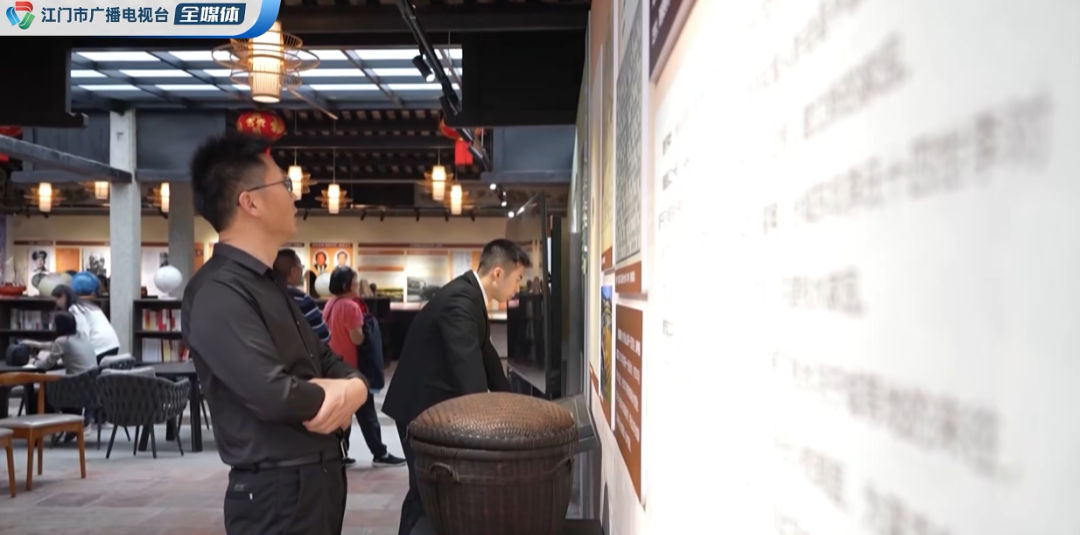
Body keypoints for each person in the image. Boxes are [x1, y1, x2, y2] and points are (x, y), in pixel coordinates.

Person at [183, 132, 371, 535]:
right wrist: (339, 394)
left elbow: (327, 360)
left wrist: (354, 389)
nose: (295, 194)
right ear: (250, 202)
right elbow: (275, 394)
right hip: (276, 492)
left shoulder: (269, 284)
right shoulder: (218, 291)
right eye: (285, 184)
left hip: (315, 480)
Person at [383, 238, 529, 535]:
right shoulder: (460, 302)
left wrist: (514, 408)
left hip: (431, 407)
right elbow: (469, 375)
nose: (519, 288)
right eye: (518, 279)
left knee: (428, 492)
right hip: (419, 409)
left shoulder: (470, 295)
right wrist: (490, 422)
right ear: (498, 273)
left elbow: (487, 356)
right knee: (425, 493)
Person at [322, 266, 405, 468]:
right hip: (353, 370)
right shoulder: (351, 307)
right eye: (355, 282)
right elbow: (357, 339)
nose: (358, 286)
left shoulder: (330, 304)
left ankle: (341, 453)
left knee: (342, 414)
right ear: (346, 285)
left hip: (334, 367)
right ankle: (380, 453)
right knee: (367, 413)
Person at [273, 249, 330, 345]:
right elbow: (324, 336)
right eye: (301, 268)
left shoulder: (266, 294)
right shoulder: (303, 300)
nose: (301, 273)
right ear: (294, 271)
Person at [51, 284, 120, 363]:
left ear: (64, 296)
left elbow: (83, 332)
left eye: (57, 300)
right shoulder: (88, 305)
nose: (57, 304)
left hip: (99, 346)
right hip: (112, 343)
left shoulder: (75, 308)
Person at [24, 312, 96, 375]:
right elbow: (54, 346)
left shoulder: (62, 341)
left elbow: (47, 364)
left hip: (77, 381)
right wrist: (35, 344)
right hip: (93, 379)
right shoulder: (82, 336)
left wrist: (33, 362)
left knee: (48, 379)